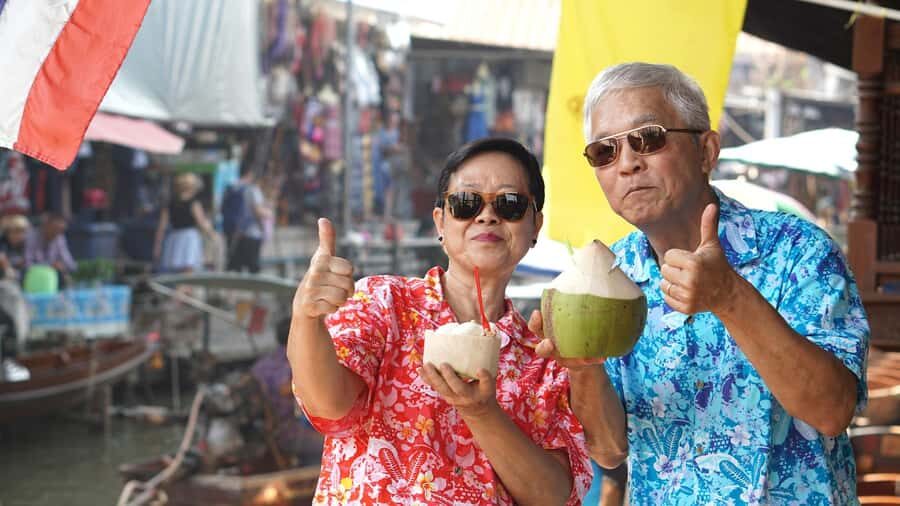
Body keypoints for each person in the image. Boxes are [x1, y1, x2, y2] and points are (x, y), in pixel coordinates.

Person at [532, 62, 869, 505]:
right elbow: (610, 450)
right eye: (604, 150)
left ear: (707, 151)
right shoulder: (610, 275)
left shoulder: (798, 250)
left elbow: (831, 410)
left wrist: (730, 297)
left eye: (648, 138)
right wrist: (582, 369)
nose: (628, 163)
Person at [288, 138, 592, 505]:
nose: (486, 216)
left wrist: (482, 413)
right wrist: (305, 318)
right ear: (441, 222)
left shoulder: (543, 357)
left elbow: (552, 496)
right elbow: (328, 405)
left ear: (535, 226)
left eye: (509, 204)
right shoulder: (384, 302)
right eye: (466, 203)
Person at [153, 173, 216, 273]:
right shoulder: (194, 203)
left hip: (174, 238)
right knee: (188, 270)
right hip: (189, 238)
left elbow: (161, 227)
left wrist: (157, 245)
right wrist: (212, 234)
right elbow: (202, 223)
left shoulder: (170, 204)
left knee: (175, 271)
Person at [224, 166, 271, 274]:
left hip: (238, 231)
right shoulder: (253, 190)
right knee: (253, 268)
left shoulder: (235, 188)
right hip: (252, 232)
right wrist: (269, 213)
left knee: (237, 266)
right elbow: (257, 210)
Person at [25, 212, 76, 282]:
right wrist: (50, 266)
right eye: (55, 229)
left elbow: (71, 264)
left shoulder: (59, 238)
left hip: (50, 278)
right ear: (46, 225)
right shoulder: (32, 236)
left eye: (61, 230)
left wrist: (63, 267)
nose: (57, 233)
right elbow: (27, 264)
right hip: (32, 277)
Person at [0, 215, 30, 282]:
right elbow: (2, 258)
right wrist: (7, 268)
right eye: (15, 231)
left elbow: (26, 262)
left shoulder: (26, 243)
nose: (18, 235)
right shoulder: (2, 242)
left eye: (21, 231)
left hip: (20, 275)